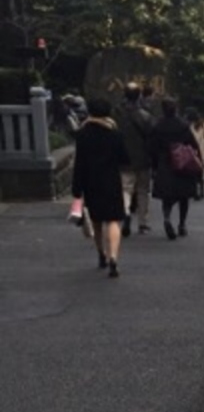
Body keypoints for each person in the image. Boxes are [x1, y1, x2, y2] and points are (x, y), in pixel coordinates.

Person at [70, 97, 130, 278]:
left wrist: (77, 189)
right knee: (113, 220)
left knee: (97, 221)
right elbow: (125, 159)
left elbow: (79, 163)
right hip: (111, 181)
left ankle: (101, 254)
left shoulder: (82, 135)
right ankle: (114, 257)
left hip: (91, 182)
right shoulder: (115, 134)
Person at [149, 97, 202, 240]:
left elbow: (152, 147)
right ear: (176, 109)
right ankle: (182, 224)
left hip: (164, 162)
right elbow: (193, 144)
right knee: (184, 195)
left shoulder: (158, 126)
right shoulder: (183, 125)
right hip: (182, 162)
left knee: (167, 195)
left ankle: (167, 218)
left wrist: (154, 165)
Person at [114, 83, 155, 235]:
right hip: (143, 159)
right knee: (143, 190)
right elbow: (151, 136)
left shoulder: (117, 115)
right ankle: (143, 223)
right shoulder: (145, 116)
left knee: (125, 189)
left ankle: (125, 213)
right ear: (139, 96)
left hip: (123, 159)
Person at [184, 107, 204, 200]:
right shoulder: (202, 125)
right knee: (200, 172)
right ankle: (201, 190)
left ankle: (193, 191)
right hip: (201, 151)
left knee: (191, 172)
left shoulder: (186, 126)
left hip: (190, 151)